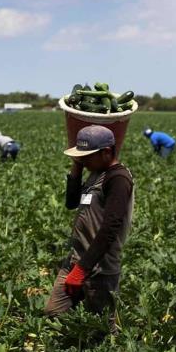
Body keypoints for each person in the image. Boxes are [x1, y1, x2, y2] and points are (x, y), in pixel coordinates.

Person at [44, 125, 133, 331]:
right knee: (54, 312)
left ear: (107, 152)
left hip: (100, 267)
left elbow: (111, 226)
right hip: (75, 259)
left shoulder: (118, 178)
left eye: (87, 156)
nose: (83, 160)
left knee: (101, 327)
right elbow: (71, 202)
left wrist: (83, 269)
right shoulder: (96, 172)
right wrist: (77, 168)